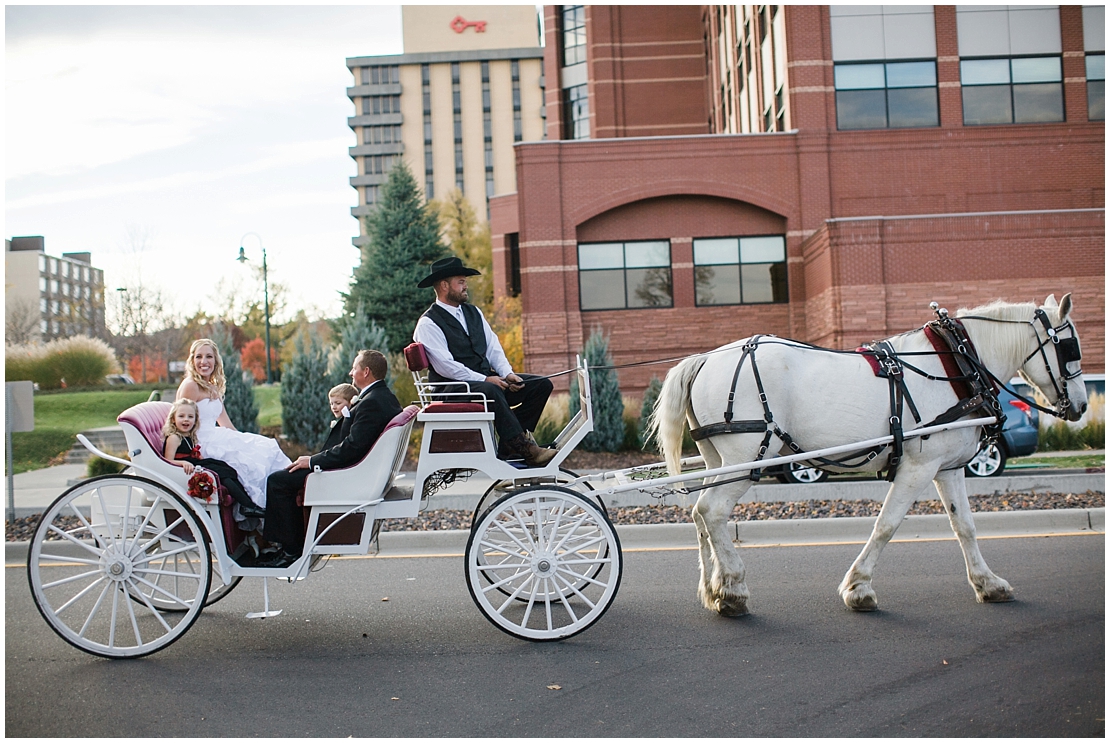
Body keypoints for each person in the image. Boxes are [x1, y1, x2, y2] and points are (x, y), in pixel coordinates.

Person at [258, 349, 402, 568]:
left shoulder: (372, 402)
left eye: (354, 368)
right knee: (286, 473)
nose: (350, 372)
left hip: (349, 473)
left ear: (366, 371)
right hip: (356, 468)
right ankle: (291, 544)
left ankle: (289, 551)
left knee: (278, 481)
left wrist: (314, 461)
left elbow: (352, 449)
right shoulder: (382, 397)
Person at [412, 256, 555, 467]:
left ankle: (509, 445)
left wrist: (507, 373)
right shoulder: (428, 323)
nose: (465, 286)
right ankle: (523, 448)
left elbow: (492, 346)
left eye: (464, 281)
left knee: (540, 385)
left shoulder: (474, 312)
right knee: (492, 391)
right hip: (451, 389)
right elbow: (447, 366)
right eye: (460, 282)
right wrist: (486, 379)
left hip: (484, 382)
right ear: (444, 285)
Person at [176, 338, 291, 509]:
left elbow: (226, 423)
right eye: (198, 357)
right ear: (192, 361)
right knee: (248, 459)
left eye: (209, 356)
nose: (204, 362)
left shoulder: (212, 387)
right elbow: (179, 421)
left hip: (216, 435)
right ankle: (257, 506)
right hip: (200, 441)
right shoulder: (190, 386)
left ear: (216, 361)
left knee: (264, 447)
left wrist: (243, 441)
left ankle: (284, 497)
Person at [162, 398, 266, 519]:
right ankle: (247, 505)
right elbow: (167, 461)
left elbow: (192, 452)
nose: (186, 419)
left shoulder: (189, 435)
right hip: (184, 469)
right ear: (173, 419)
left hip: (195, 463)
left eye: (190, 417)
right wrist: (183, 463)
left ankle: (247, 504)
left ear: (195, 420)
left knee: (226, 468)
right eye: (181, 416)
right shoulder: (174, 437)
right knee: (221, 474)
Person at [324, 383, 359, 451]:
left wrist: (347, 420)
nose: (333, 407)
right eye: (331, 404)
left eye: (338, 403)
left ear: (351, 402)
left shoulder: (353, 420)